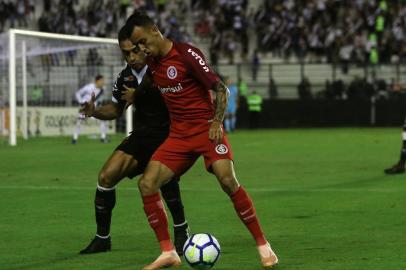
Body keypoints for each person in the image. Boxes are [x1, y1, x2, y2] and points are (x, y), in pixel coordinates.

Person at [125, 10, 278, 270]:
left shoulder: (186, 54)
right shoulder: (153, 63)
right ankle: (168, 252)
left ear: (155, 31)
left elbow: (220, 88)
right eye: (137, 45)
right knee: (147, 184)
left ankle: (264, 247)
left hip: (207, 129)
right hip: (179, 136)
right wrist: (136, 95)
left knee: (227, 180)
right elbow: (151, 83)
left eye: (142, 41)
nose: (141, 48)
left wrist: (217, 121)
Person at [79, 25, 189, 255]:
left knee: (166, 183)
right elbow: (117, 110)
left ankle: (181, 232)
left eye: (133, 51)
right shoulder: (125, 77)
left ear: (142, 46)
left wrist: (140, 93)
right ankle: (102, 238)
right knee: (105, 177)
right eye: (125, 53)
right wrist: (94, 111)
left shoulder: (162, 66)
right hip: (141, 136)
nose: (130, 57)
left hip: (169, 136)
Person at [72, 75, 107, 144]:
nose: (103, 82)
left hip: (93, 109)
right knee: (79, 123)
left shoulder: (103, 89)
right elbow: (78, 93)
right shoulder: (89, 87)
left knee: (103, 120)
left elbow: (98, 99)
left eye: (103, 81)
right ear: (97, 81)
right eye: (101, 81)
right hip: (85, 108)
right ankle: (74, 139)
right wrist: (81, 102)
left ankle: (103, 138)